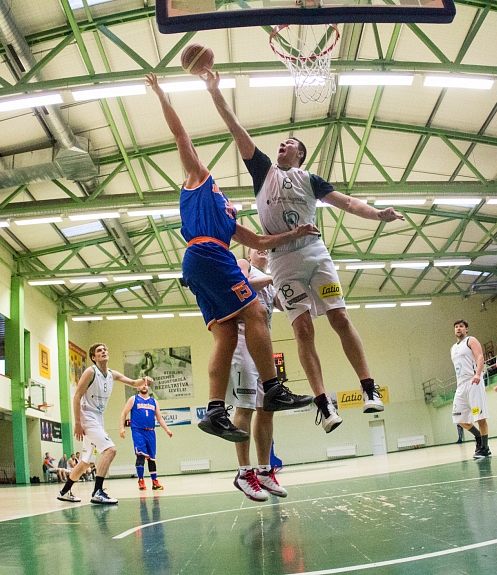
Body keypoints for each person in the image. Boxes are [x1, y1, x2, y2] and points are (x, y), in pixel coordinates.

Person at [206, 70, 403, 432]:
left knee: (339, 317)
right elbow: (236, 129)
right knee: (302, 330)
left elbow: (346, 202)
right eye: (281, 142)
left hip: (314, 255)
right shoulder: (263, 170)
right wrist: (215, 91)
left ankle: (368, 389)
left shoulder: (310, 179)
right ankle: (324, 404)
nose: (282, 145)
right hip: (283, 263)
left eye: (289, 143)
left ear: (300, 153)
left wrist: (377, 214)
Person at [146, 72, 315, 443]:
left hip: (199, 261)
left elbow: (259, 239)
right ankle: (273, 387)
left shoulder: (228, 216)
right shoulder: (200, 178)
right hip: (207, 252)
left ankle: (214, 412)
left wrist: (296, 233)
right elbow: (180, 135)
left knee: (225, 334)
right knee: (254, 312)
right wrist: (162, 94)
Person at [56, 342, 151, 505]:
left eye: (105, 349)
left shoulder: (112, 374)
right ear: (94, 357)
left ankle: (65, 491)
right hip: (87, 416)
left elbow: (134, 383)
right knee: (110, 450)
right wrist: (77, 423)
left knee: (85, 461)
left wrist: (145, 380)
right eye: (99, 351)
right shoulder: (90, 372)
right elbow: (77, 396)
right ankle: (97, 491)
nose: (103, 351)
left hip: (98, 417)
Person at [228, 248, 288, 501]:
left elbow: (285, 305)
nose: (263, 251)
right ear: (250, 255)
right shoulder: (245, 266)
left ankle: (264, 470)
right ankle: (244, 471)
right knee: (245, 407)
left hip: (265, 345)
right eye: (258, 248)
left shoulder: (272, 278)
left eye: (268, 249)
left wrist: (289, 279)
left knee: (268, 407)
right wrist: (273, 277)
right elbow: (240, 285)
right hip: (242, 341)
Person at [119, 379, 173, 491]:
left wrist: (167, 430)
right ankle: (141, 480)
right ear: (137, 387)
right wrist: (121, 428)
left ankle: (154, 481)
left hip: (151, 432)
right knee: (141, 455)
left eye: (145, 385)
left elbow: (159, 417)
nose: (144, 386)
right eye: (141, 385)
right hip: (138, 431)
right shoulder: (133, 399)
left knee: (152, 458)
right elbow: (123, 413)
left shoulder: (154, 402)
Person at [450, 320, 490, 459]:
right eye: (456, 327)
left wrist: (478, 374)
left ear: (466, 329)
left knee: (479, 416)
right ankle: (478, 436)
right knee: (458, 418)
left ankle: (484, 448)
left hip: (473, 382)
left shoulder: (471, 340)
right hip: (461, 386)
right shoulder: (453, 348)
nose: (458, 329)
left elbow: (480, 356)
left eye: (461, 326)